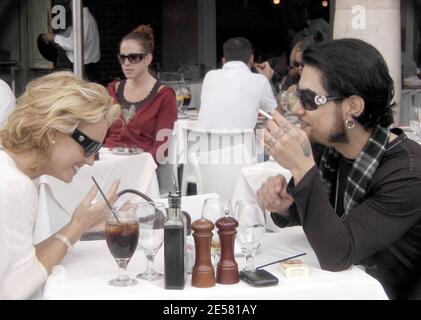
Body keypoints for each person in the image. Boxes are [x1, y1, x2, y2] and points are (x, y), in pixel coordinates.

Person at [257, 38, 421, 300]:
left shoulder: (408, 173)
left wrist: (301, 167)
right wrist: (284, 205)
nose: (298, 109)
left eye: (310, 99)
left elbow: (337, 253)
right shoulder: (329, 148)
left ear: (353, 107)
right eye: (298, 96)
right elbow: (316, 215)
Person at [0, 71, 121, 299]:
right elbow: (15, 288)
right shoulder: (14, 185)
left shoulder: (12, 168)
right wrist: (77, 225)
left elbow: (19, 264)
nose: (90, 161)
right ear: (52, 132)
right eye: (89, 148)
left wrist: (79, 225)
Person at [104, 24, 177, 165]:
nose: (126, 63)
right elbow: (98, 133)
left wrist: (137, 166)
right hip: (107, 160)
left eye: (134, 58)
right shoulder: (112, 90)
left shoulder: (164, 96)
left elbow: (161, 149)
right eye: (122, 57)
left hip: (141, 165)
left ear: (148, 59)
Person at [198, 37, 277, 130]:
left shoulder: (209, 76)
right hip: (243, 144)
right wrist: (267, 80)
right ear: (252, 58)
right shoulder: (259, 80)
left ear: (224, 61)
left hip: (207, 143)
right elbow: (277, 117)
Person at [40, 1, 100, 82]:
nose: (69, 4)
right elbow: (70, 32)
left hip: (85, 68)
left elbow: (74, 44)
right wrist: (54, 36)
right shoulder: (82, 18)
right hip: (84, 66)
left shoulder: (84, 20)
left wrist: (54, 38)